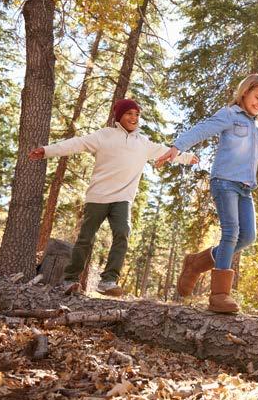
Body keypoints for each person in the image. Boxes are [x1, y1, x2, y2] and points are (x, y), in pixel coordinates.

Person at [156, 74, 258, 313]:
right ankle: (220, 295)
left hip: (245, 187)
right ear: (245, 92)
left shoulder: (256, 126)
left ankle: (196, 263)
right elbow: (202, 129)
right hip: (224, 182)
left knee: (248, 237)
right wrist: (176, 147)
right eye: (257, 97)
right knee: (231, 232)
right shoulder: (229, 115)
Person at [29, 98, 197, 296]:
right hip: (98, 196)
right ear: (119, 116)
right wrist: (47, 151)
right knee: (85, 239)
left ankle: (108, 280)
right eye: (129, 114)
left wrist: (187, 158)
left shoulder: (143, 143)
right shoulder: (104, 136)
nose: (133, 118)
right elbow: (76, 144)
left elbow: (166, 152)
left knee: (123, 232)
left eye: (136, 114)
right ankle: (70, 279)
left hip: (123, 198)